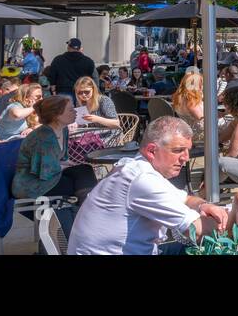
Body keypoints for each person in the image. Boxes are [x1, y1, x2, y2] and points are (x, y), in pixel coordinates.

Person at [67, 117, 226, 254]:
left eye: (187, 151)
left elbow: (185, 199)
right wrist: (237, 217)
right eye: (178, 150)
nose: (186, 158)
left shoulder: (137, 168)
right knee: (221, 246)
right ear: (151, 151)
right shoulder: (142, 180)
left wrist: (204, 205)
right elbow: (197, 229)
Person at [12, 96, 98, 232]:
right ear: (57, 115)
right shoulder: (44, 137)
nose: (75, 112)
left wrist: (74, 166)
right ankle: (88, 214)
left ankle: (88, 209)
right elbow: (46, 170)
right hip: (32, 183)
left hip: (50, 174)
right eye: (70, 110)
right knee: (77, 183)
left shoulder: (63, 129)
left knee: (85, 169)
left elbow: (63, 160)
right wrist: (69, 167)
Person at [73, 76, 120, 141]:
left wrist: (97, 119)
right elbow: (83, 124)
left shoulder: (104, 100)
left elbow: (116, 123)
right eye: (80, 93)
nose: (83, 95)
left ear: (93, 89)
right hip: (91, 136)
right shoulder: (80, 103)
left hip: (110, 136)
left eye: (86, 92)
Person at [172, 71, 207, 139]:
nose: (203, 86)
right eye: (202, 84)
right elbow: (201, 119)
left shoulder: (182, 96)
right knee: (232, 124)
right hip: (201, 132)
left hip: (191, 130)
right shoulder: (191, 101)